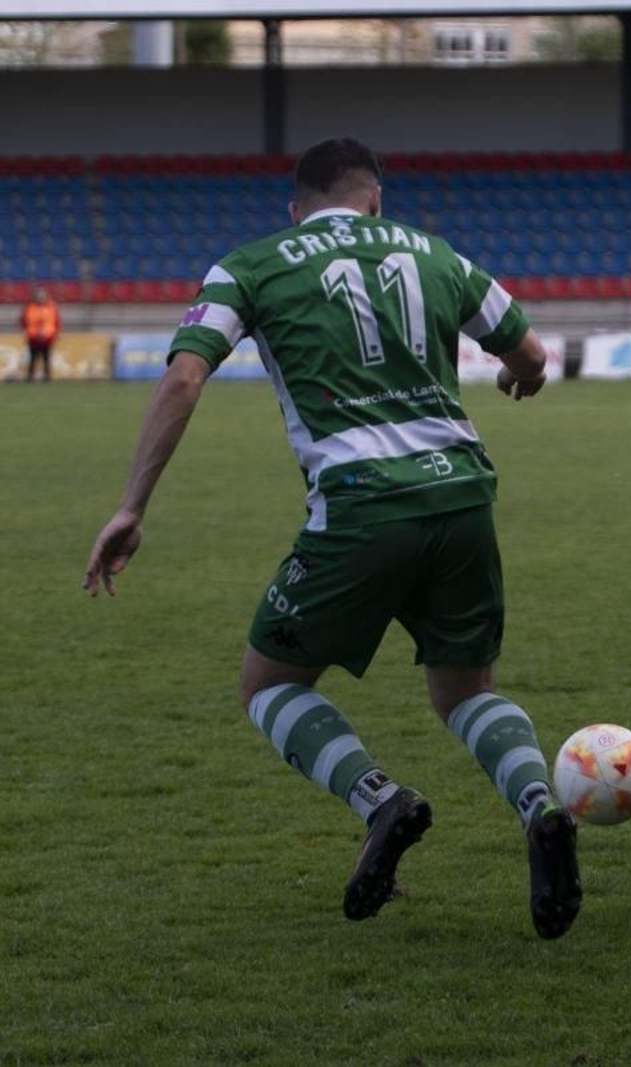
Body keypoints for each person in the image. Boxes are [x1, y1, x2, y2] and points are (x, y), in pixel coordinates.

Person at [82, 138, 583, 939]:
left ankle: (381, 800)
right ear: (375, 197)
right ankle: (541, 805)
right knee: (467, 692)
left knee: (269, 683)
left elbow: (183, 376)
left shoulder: (248, 264)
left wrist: (132, 505)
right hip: (461, 494)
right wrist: (523, 378)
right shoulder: (435, 251)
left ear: (295, 207)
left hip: (359, 505)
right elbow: (527, 354)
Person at [21, 285, 60, 382]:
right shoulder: (30, 307)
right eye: (38, 295)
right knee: (33, 357)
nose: (40, 297)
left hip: (47, 336)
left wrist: (56, 333)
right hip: (33, 337)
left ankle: (47, 377)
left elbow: (56, 321)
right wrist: (28, 331)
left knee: (46, 357)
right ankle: (30, 377)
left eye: (42, 295)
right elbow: (23, 321)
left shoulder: (51, 307)